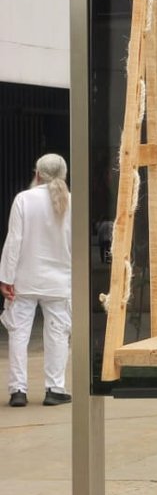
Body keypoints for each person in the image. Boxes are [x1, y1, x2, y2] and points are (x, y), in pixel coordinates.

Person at [0, 154, 73, 407]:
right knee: (58, 335)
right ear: (63, 175)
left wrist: (6, 278)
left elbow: (14, 241)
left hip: (25, 279)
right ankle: (55, 389)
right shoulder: (73, 202)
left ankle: (17, 391)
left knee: (19, 334)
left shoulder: (23, 199)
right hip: (60, 282)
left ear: (38, 174)